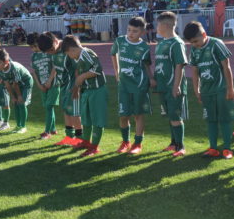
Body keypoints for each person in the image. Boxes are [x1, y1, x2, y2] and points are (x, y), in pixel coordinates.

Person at [184, 20, 234, 159]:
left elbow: (226, 66)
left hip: (221, 89)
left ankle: (227, 149)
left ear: (204, 34)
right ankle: (213, 148)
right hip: (206, 91)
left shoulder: (216, 44)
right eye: (191, 43)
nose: (194, 44)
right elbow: (195, 71)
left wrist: (230, 88)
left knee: (224, 119)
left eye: (196, 41)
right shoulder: (194, 49)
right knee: (210, 120)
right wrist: (197, 90)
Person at [111, 17, 154, 155]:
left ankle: (137, 143)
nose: (130, 33)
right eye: (129, 30)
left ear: (142, 32)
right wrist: (116, 71)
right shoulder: (120, 41)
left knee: (138, 114)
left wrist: (151, 78)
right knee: (123, 115)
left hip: (139, 85)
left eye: (135, 31)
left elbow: (146, 65)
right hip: (123, 85)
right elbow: (113, 54)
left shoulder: (144, 47)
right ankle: (125, 142)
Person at [62, 35, 107, 157]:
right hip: (86, 90)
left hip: (97, 91)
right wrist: (77, 87)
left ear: (72, 50)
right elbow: (78, 71)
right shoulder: (77, 57)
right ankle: (86, 141)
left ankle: (94, 147)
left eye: (68, 54)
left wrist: (82, 77)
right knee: (86, 117)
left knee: (97, 119)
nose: (69, 57)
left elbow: (98, 68)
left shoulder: (87, 53)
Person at [38, 31, 83, 146]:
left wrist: (77, 87)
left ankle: (80, 138)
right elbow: (55, 65)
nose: (50, 53)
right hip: (62, 85)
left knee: (75, 113)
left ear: (55, 41)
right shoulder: (54, 52)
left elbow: (78, 68)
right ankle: (69, 136)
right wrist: (50, 80)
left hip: (72, 86)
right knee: (66, 111)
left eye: (51, 50)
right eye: (48, 52)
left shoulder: (68, 48)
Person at [154, 11, 188, 157]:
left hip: (172, 86)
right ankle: (173, 143)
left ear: (165, 25)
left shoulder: (177, 43)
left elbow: (180, 65)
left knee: (175, 116)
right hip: (162, 86)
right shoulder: (161, 43)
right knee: (169, 115)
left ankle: (181, 146)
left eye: (158, 24)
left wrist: (176, 85)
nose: (156, 27)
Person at [0, 49, 34, 134]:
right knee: (16, 103)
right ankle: (18, 125)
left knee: (21, 103)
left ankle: (23, 126)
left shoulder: (14, 68)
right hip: (16, 84)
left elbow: (16, 84)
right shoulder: (0, 70)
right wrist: (12, 97)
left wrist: (19, 96)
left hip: (26, 84)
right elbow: (7, 84)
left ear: (6, 62)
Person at [28, 33, 59, 140]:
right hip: (42, 85)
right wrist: (39, 85)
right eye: (31, 47)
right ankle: (53, 129)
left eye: (35, 46)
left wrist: (49, 81)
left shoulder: (49, 52)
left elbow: (55, 67)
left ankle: (47, 132)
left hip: (54, 84)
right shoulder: (33, 56)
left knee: (49, 106)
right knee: (47, 107)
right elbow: (34, 72)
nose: (34, 49)